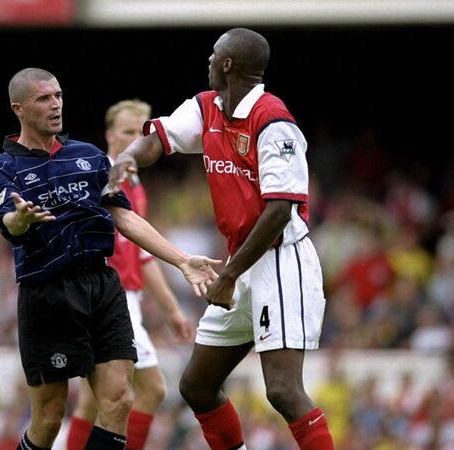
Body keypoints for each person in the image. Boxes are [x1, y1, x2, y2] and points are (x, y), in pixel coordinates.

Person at [108, 28, 336, 450]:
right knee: (197, 386)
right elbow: (159, 140)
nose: (209, 61)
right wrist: (126, 158)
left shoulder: (273, 120)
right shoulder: (208, 107)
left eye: (215, 55)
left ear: (228, 64)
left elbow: (279, 211)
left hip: (280, 261)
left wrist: (229, 275)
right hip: (240, 262)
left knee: (283, 390)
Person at [0, 68, 220, 450]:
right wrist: (21, 220)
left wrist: (181, 260)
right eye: (44, 98)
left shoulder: (88, 156)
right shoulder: (4, 167)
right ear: (19, 108)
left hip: (102, 285)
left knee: (121, 398)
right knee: (49, 417)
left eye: (58, 96)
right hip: (48, 293)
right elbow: (8, 222)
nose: (56, 105)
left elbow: (124, 217)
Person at [65, 99, 195, 450]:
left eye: (140, 132)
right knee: (151, 389)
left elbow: (142, 256)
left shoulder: (134, 185)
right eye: (126, 131)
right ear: (109, 134)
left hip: (122, 298)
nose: (134, 140)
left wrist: (171, 309)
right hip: (111, 298)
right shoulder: (101, 180)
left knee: (92, 399)